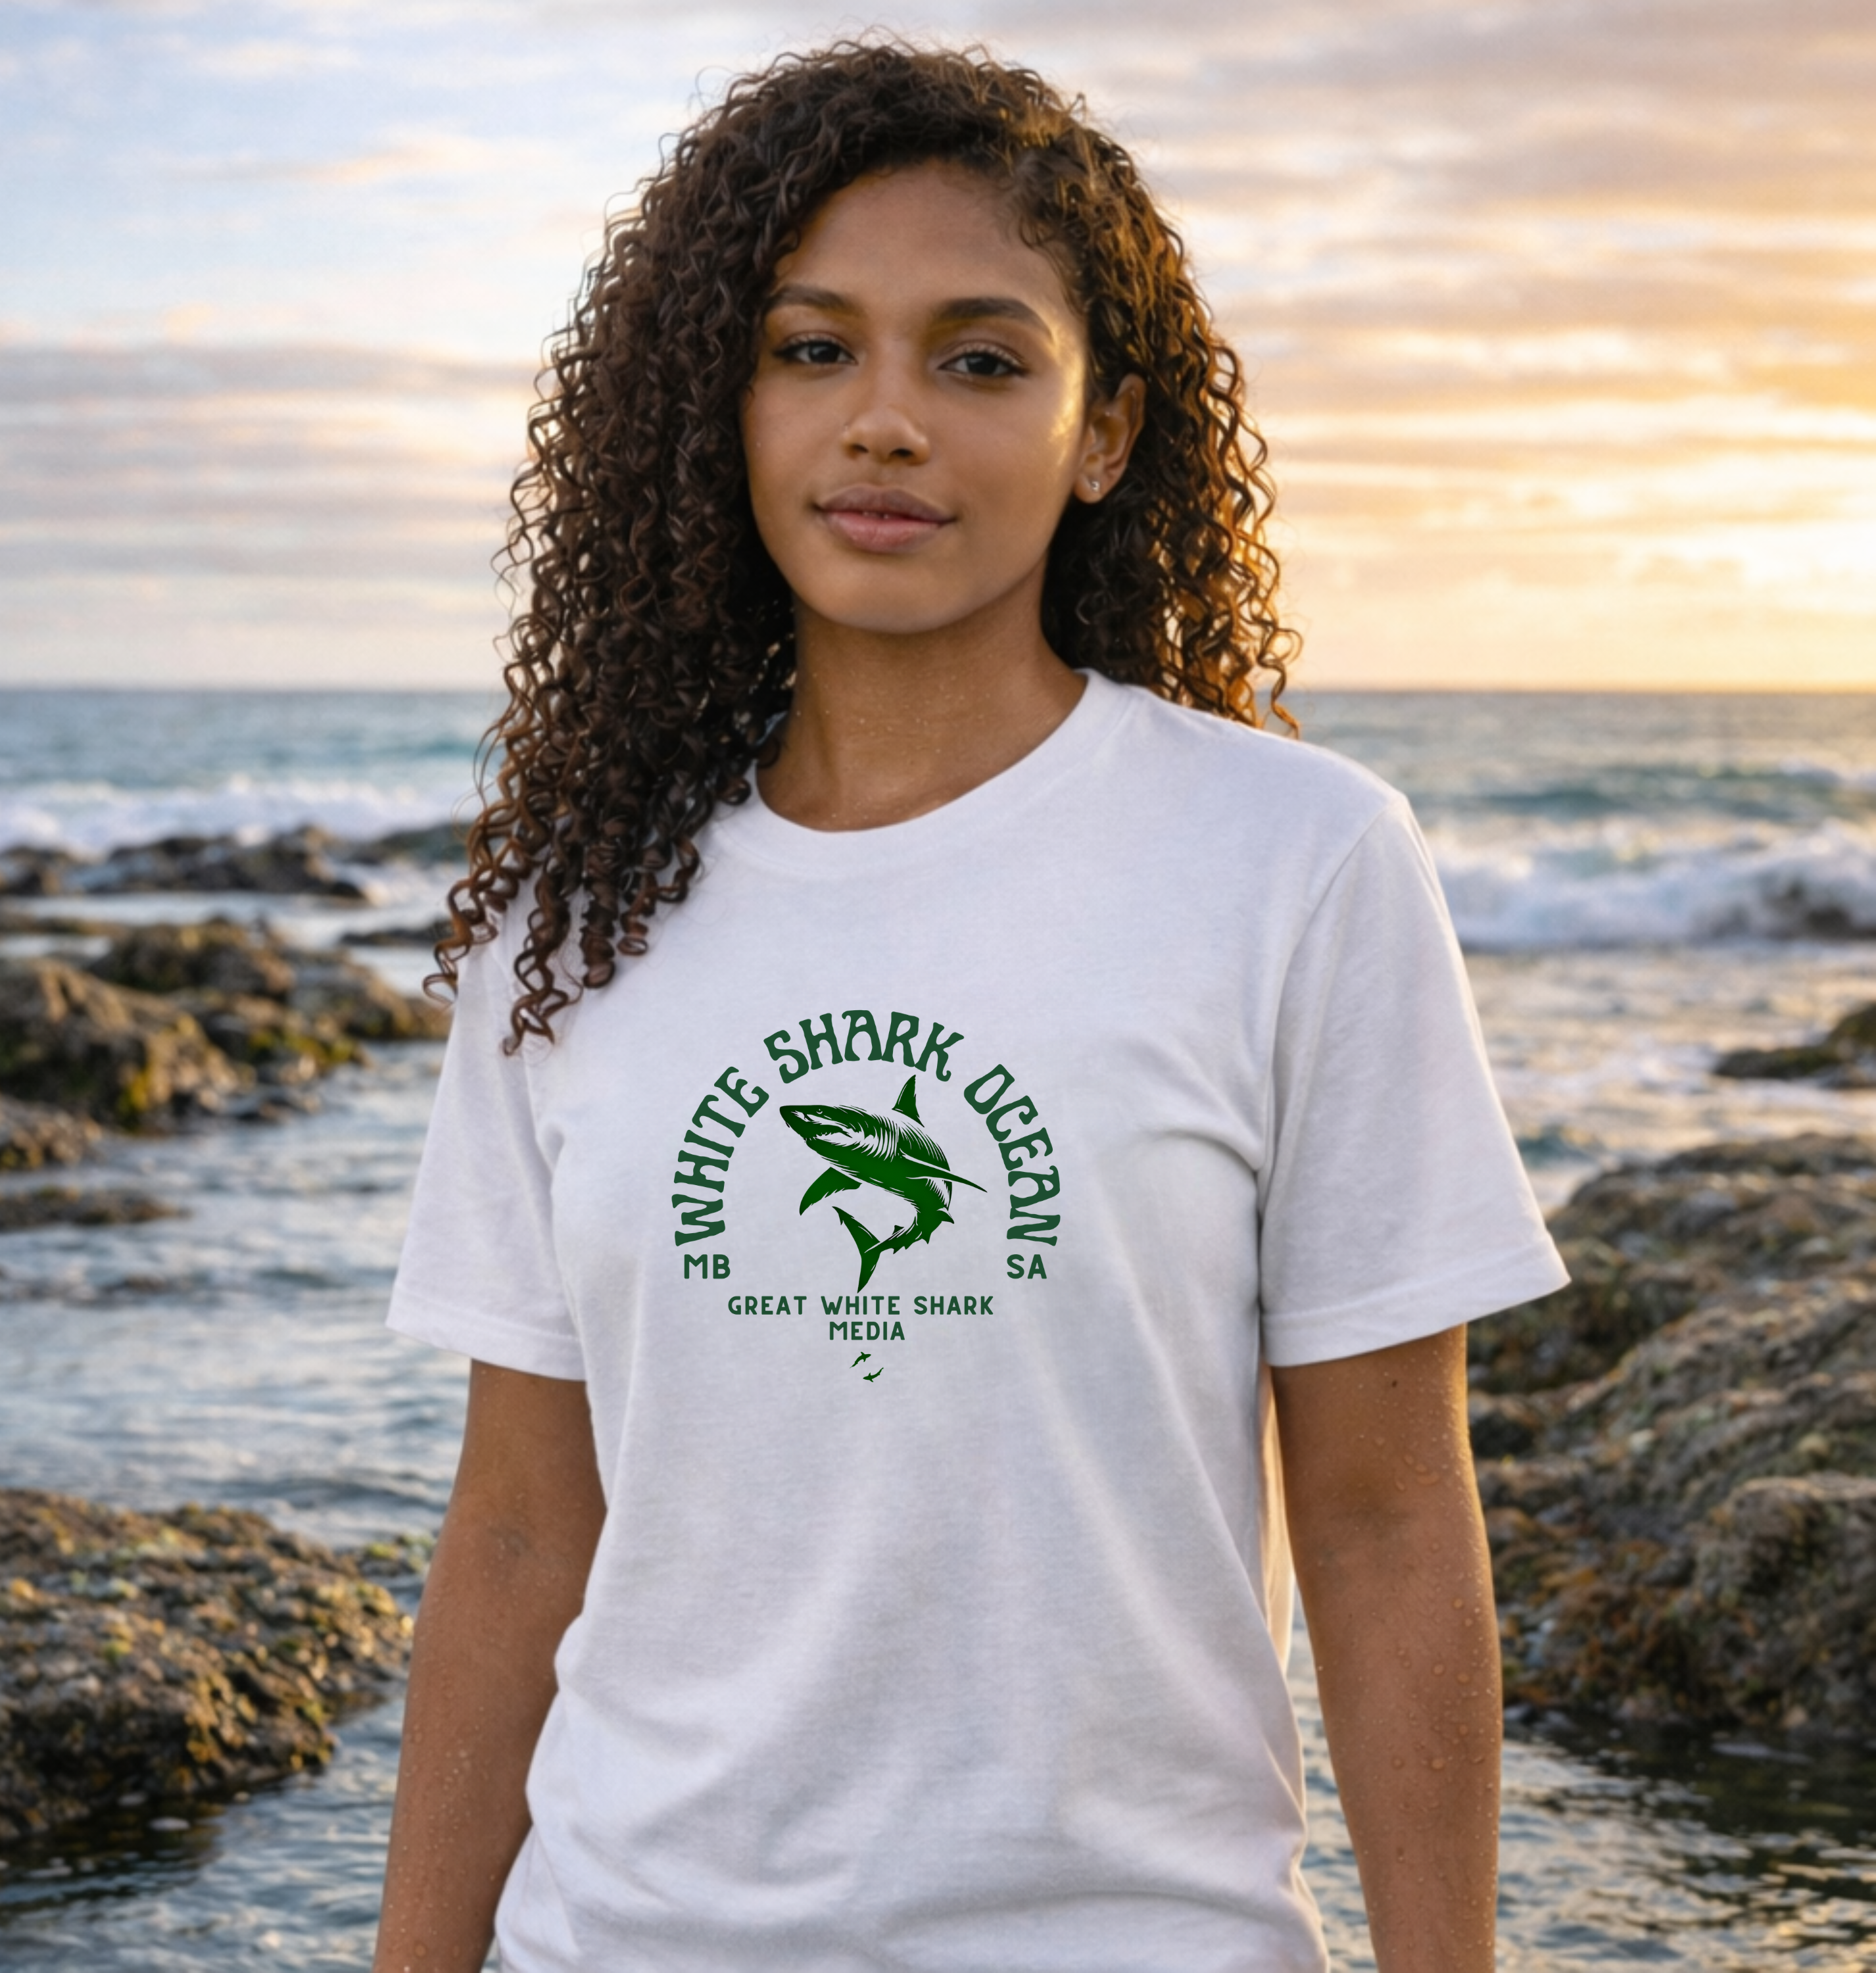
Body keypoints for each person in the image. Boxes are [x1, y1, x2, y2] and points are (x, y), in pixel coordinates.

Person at [373, 39, 1566, 1973]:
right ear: (719, 403)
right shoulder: (579, 918)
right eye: (813, 347)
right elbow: (520, 1532)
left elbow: (1383, 1517)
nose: (887, 424)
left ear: (1105, 433)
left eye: (982, 358)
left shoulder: (1298, 859)